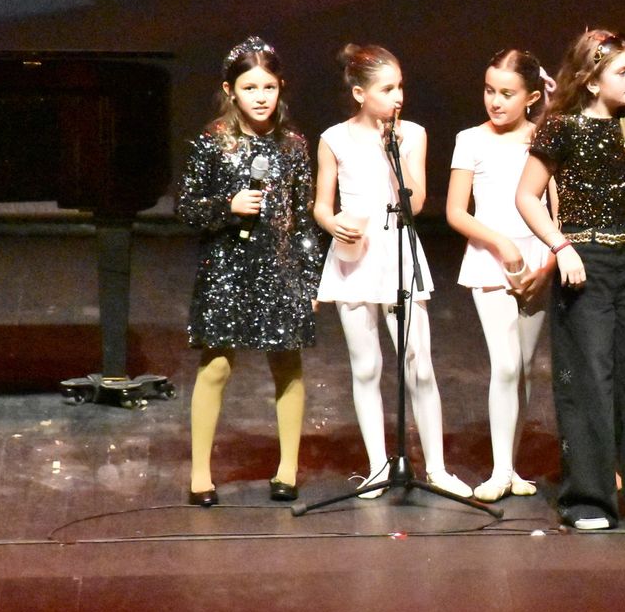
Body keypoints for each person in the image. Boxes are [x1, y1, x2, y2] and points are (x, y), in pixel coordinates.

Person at [515, 28, 625, 530]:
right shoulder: (562, 127)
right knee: (588, 379)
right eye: (623, 72)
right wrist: (561, 246)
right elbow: (527, 196)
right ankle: (588, 499)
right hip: (583, 260)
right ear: (592, 81)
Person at [313, 43, 471, 499]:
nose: (398, 96)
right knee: (367, 366)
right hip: (354, 254)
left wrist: (396, 156)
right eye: (387, 88)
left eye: (400, 86)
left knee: (418, 365)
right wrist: (333, 222)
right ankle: (378, 465)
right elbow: (323, 205)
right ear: (361, 94)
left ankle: (437, 468)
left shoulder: (413, 135)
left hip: (398, 247)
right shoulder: (334, 139)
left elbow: (416, 203)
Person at [178, 36, 322, 506]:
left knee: (287, 363)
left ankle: (287, 469)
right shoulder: (211, 143)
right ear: (230, 90)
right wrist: (228, 205)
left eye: (269, 86)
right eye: (249, 87)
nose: (261, 96)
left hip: (279, 269)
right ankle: (201, 474)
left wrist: (312, 276)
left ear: (281, 89)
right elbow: (186, 208)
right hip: (227, 268)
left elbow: (303, 217)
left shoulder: (294, 145)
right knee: (216, 365)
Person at [445, 48, 556, 502]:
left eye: (506, 93)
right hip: (492, 258)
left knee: (525, 368)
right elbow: (456, 211)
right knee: (505, 364)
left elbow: (556, 211)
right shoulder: (471, 139)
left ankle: (512, 468)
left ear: (530, 97)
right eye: (490, 90)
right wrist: (502, 244)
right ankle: (498, 470)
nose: (495, 101)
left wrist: (548, 262)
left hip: (538, 261)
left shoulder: (545, 138)